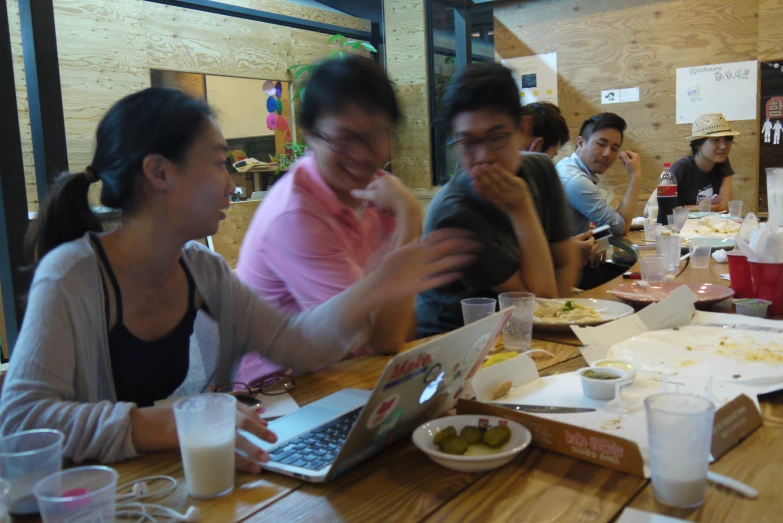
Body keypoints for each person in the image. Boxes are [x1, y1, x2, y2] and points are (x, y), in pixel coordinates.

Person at [0, 87, 478, 472]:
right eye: (217, 161)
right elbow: (19, 422)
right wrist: (168, 423)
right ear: (159, 172)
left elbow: (295, 344)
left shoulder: (199, 268)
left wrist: (376, 286)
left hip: (157, 485)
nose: (232, 181)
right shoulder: (70, 276)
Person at [234, 56, 421, 384]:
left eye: (375, 135)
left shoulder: (379, 193)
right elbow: (379, 341)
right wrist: (410, 218)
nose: (362, 155)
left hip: (346, 378)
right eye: (344, 139)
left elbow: (399, 329)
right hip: (280, 400)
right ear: (310, 136)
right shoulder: (296, 215)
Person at [415, 63, 580, 338]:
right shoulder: (454, 212)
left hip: (518, 337)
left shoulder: (541, 169)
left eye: (497, 137)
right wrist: (521, 207)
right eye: (467, 143)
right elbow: (538, 301)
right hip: (453, 348)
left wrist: (558, 323)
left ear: (523, 129)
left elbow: (566, 262)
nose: (483, 157)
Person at [522, 102, 601, 273]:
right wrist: (568, 253)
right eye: (551, 156)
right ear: (535, 147)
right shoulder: (517, 190)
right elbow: (516, 259)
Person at [556, 113, 642, 237]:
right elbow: (620, 228)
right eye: (601, 144)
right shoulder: (576, 180)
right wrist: (635, 176)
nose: (607, 154)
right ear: (580, 143)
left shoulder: (565, 165)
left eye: (614, 148)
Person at [668, 112, 739, 212]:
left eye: (727, 140)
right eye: (715, 140)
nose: (723, 146)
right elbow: (651, 209)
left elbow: (724, 206)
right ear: (697, 144)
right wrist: (699, 208)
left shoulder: (723, 163)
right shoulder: (680, 168)